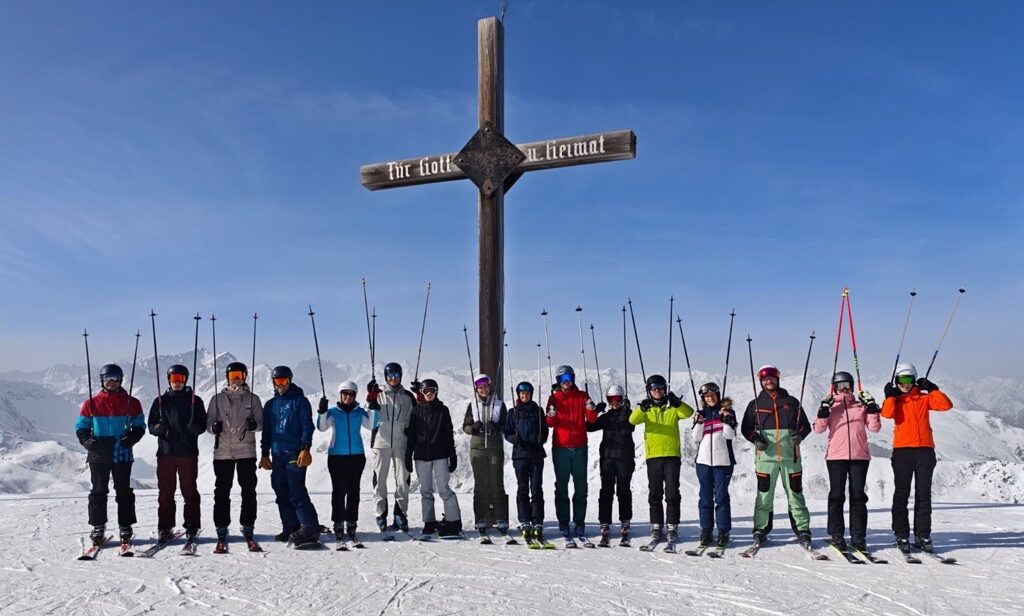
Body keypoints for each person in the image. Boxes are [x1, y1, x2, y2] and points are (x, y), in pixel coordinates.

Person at [881, 363, 953, 552]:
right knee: (901, 494)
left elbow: (946, 405)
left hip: (925, 451)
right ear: (896, 381)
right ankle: (901, 535)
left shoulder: (924, 398)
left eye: (909, 380)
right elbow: (886, 414)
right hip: (903, 451)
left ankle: (923, 535)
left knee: (923, 495)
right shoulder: (895, 401)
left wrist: (933, 389)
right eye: (901, 380)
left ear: (915, 380)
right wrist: (889, 396)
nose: (905, 384)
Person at [74, 363, 146, 547]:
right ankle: (98, 526)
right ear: (102, 381)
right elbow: (81, 427)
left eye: (115, 378)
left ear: (121, 380)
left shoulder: (132, 402)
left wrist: (130, 439)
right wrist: (87, 441)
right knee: (98, 491)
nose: (111, 382)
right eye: (108, 378)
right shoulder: (91, 403)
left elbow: (139, 425)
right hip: (98, 451)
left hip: (121, 450)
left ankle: (125, 525)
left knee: (123, 491)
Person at [741, 365, 813, 547]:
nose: (769, 381)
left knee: (795, 494)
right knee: (764, 495)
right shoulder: (755, 405)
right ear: (760, 382)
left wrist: (800, 436)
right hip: (766, 458)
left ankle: (802, 529)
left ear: (778, 379)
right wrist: (756, 439)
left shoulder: (792, 402)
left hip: (791, 457)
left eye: (772, 378)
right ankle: (760, 528)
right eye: (765, 379)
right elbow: (746, 429)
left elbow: (805, 426)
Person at [812, 371, 881, 552]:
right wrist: (823, 411)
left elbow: (874, 428)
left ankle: (858, 536)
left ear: (852, 386)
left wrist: (872, 408)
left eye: (847, 385)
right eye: (840, 385)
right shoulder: (831, 406)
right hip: (836, 457)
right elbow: (818, 429)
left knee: (858, 496)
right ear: (834, 387)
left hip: (859, 456)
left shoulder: (860, 406)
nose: (844, 389)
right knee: (836, 495)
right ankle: (836, 534)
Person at [629, 374, 694, 546]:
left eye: (660, 387)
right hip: (654, 456)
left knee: (672, 493)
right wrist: (642, 408)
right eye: (653, 388)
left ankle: (672, 525)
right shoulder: (647, 409)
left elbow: (689, 413)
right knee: (655, 492)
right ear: (649, 391)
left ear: (665, 389)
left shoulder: (672, 407)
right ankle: (656, 525)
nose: (657, 391)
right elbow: (632, 420)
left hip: (672, 455)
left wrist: (677, 402)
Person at [259, 365, 319, 547]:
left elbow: (307, 426)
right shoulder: (270, 405)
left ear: (290, 380)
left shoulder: (300, 401)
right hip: (277, 454)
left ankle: (310, 528)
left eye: (284, 381)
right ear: (273, 382)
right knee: (281, 490)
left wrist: (305, 448)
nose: (281, 384)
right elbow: (267, 432)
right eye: (277, 381)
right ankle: (291, 527)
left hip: (295, 452)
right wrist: (264, 454)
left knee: (296, 491)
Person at [148, 364, 208, 542]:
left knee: (189, 490)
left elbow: (202, 424)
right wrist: (159, 428)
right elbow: (151, 425)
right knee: (165, 492)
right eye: (174, 379)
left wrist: (194, 428)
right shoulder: (160, 401)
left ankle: (191, 525)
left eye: (180, 379)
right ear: (169, 380)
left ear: (186, 380)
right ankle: (165, 527)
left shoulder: (195, 401)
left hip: (187, 452)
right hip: (166, 453)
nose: (177, 382)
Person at [207, 361, 263, 547]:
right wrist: (213, 428)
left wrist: (254, 426)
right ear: (227, 378)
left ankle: (248, 524)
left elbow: (261, 423)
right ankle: (221, 526)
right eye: (232, 376)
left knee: (248, 490)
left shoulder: (253, 399)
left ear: (245, 376)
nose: (236, 380)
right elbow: (208, 425)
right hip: (222, 452)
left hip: (246, 451)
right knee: (222, 491)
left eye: (239, 375)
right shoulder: (217, 399)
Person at [545, 365, 598, 544]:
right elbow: (550, 423)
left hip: (579, 447)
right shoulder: (554, 397)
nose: (566, 381)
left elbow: (592, 420)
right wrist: (551, 412)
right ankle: (563, 521)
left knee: (581, 486)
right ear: (558, 381)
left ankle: (579, 521)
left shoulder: (582, 396)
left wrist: (591, 408)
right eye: (563, 378)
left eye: (569, 377)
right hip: (560, 447)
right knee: (561, 486)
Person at [405, 378, 462, 538]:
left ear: (436, 392)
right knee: (426, 491)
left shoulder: (443, 410)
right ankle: (429, 523)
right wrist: (408, 456)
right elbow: (411, 435)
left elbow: (448, 434)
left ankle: (453, 521)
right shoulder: (416, 411)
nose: (429, 393)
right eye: (425, 391)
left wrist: (452, 455)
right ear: (422, 393)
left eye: (432, 390)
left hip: (440, 455)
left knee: (444, 490)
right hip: (421, 456)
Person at [316, 380, 371, 545]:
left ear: (355, 396)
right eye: (345, 393)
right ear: (340, 395)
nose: (347, 397)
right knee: (339, 491)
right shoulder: (333, 412)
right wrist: (322, 411)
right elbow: (321, 427)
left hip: (356, 456)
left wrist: (374, 406)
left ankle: (352, 522)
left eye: (351, 394)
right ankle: (338, 522)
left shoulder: (359, 412)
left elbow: (372, 425)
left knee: (354, 491)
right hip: (336, 457)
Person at [367, 362, 416, 533]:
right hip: (381, 442)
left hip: (401, 442)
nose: (393, 379)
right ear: (385, 377)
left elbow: (418, 414)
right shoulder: (378, 394)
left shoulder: (408, 397)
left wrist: (420, 393)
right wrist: (370, 397)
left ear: (400, 376)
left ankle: (400, 513)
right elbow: (369, 415)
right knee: (379, 479)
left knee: (403, 479)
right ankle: (380, 513)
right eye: (390, 376)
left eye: (396, 376)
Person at [586, 384, 636, 546]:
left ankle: (625, 521)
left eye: (617, 399)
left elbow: (631, 425)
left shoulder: (629, 415)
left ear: (622, 399)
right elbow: (589, 426)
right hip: (607, 459)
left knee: (623, 490)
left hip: (625, 459)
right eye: (611, 399)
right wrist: (594, 413)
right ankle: (605, 522)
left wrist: (625, 411)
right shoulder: (606, 417)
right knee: (606, 491)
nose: (614, 403)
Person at [462, 373, 509, 541]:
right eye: (480, 387)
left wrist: (498, 428)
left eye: (486, 386)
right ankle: (480, 519)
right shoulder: (472, 405)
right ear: (477, 389)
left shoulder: (499, 404)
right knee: (480, 486)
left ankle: (501, 518)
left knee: (497, 484)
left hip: (495, 448)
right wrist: (473, 429)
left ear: (490, 387)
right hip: (478, 448)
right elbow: (465, 426)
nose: (483, 389)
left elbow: (506, 425)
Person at [690, 382, 737, 549]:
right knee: (705, 496)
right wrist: (699, 422)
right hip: (703, 462)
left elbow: (729, 435)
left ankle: (723, 531)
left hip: (723, 461)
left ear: (717, 395)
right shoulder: (701, 413)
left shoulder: (728, 412)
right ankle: (706, 530)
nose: (709, 398)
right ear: (703, 398)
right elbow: (696, 438)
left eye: (712, 395)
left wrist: (726, 420)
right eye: (706, 396)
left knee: (722, 496)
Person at [503, 381, 550, 545]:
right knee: (522, 488)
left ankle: (537, 521)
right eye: (522, 394)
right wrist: (513, 439)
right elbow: (506, 431)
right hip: (520, 455)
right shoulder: (513, 412)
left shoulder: (538, 411)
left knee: (536, 488)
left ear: (531, 394)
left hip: (536, 454)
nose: (525, 396)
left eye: (527, 393)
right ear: (518, 395)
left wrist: (542, 438)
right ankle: (525, 520)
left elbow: (545, 430)